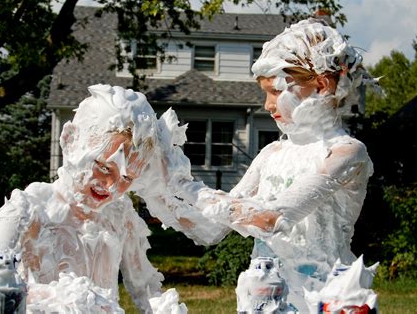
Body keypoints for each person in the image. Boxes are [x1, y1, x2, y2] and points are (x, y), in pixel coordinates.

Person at [158, 18, 377, 312]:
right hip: (263, 299)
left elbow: (271, 218)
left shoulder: (346, 153)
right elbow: (210, 228)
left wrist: (185, 185)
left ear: (322, 86)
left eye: (275, 91)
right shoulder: (272, 153)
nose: (267, 105)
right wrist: (157, 187)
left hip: (325, 299)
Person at [0, 84, 199, 313]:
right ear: (69, 140)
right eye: (104, 168)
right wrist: (61, 298)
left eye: (127, 177)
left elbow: (145, 289)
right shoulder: (29, 209)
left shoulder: (120, 214)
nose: (112, 186)